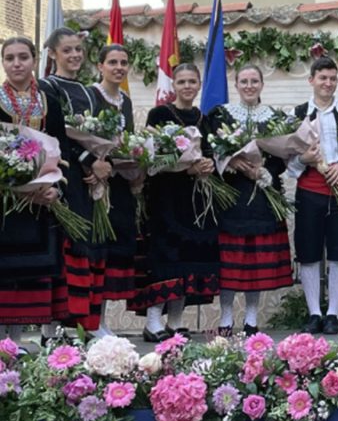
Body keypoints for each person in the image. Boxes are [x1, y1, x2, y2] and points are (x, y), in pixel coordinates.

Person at [134, 63, 220, 341]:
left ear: (198, 85)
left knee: (190, 257)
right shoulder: (160, 114)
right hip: (165, 198)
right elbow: (151, 157)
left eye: (192, 82)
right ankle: (152, 321)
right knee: (165, 257)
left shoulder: (203, 117)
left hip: (196, 201)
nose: (187, 86)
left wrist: (208, 164)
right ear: (174, 86)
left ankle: (175, 320)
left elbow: (212, 152)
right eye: (181, 81)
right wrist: (186, 168)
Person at [207, 65, 293, 336]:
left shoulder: (275, 117)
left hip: (262, 196)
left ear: (262, 84)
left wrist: (265, 170)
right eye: (243, 81)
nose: (249, 86)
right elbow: (210, 147)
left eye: (254, 81)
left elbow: (283, 155)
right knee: (230, 261)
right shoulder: (219, 115)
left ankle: (252, 318)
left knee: (255, 262)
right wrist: (231, 160)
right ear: (236, 84)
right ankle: (226, 316)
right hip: (231, 195)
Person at [290, 57, 338, 335]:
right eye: (323, 78)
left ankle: (333, 313)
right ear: (311, 80)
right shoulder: (298, 114)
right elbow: (289, 162)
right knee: (308, 252)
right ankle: (314, 313)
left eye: (333, 78)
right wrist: (305, 159)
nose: (328, 83)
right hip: (310, 188)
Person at [0, 37, 69, 344]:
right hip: (4, 202)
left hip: (39, 202)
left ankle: (14, 346)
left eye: (23, 57)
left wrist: (53, 186)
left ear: (33, 61)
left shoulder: (49, 102)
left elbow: (60, 147)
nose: (17, 63)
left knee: (29, 275)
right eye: (10, 58)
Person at [39, 27, 104, 334]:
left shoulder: (91, 92)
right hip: (62, 174)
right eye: (67, 50)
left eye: (78, 49)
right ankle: (53, 327)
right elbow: (55, 134)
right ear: (53, 54)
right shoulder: (47, 86)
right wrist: (88, 160)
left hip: (89, 180)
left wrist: (103, 161)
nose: (75, 55)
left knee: (86, 243)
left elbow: (101, 133)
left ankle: (82, 325)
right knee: (64, 244)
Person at [88, 44, 141, 338]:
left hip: (119, 183)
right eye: (112, 62)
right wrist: (98, 164)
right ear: (100, 66)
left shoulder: (126, 101)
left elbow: (128, 139)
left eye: (123, 62)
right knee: (95, 251)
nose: (119, 67)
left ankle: (103, 320)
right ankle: (91, 320)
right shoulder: (91, 96)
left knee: (113, 250)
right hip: (95, 182)